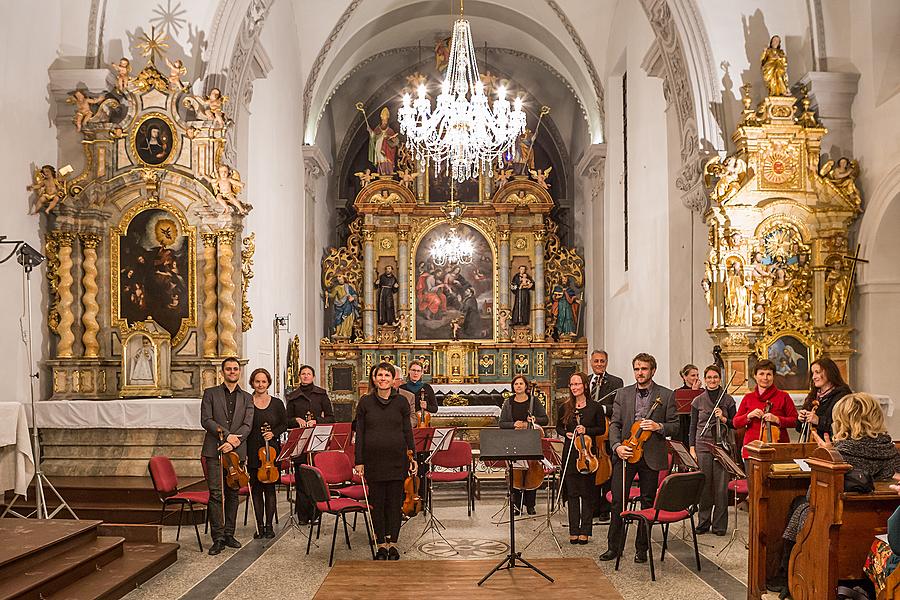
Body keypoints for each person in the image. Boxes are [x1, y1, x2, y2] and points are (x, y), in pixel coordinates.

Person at [769, 393, 900, 594]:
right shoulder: (890, 449)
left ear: (844, 420)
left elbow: (814, 496)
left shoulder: (840, 452)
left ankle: (787, 575)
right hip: (882, 521)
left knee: (801, 506)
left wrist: (827, 456)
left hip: (839, 528)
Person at [600, 353, 678, 563]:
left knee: (647, 502)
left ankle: (641, 548)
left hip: (651, 456)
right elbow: (615, 424)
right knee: (618, 502)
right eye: (636, 369)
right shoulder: (622, 394)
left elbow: (676, 425)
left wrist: (659, 426)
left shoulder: (667, 395)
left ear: (653, 371)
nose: (640, 373)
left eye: (644, 369)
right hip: (626, 453)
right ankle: (613, 547)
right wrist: (616, 447)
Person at [354, 363, 416, 560]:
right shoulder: (365, 403)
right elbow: (360, 434)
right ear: (374, 379)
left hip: (397, 460)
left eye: (387, 375)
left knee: (394, 503)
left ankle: (393, 543)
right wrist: (359, 461)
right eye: (379, 375)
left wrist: (412, 456)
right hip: (373, 461)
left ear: (393, 378)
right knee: (377, 503)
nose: (383, 378)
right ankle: (381, 543)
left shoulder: (401, 402)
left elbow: (408, 431)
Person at [200, 357, 254, 555]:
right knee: (216, 494)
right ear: (222, 373)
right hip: (214, 450)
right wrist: (226, 435)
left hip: (237, 451)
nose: (232, 372)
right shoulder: (210, 394)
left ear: (239, 372)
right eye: (228, 369)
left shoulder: (247, 398)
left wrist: (233, 441)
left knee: (232, 493)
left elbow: (248, 424)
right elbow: (206, 420)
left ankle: (230, 534)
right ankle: (218, 538)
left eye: (235, 369)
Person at [557, 372, 606, 544]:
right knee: (572, 493)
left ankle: (585, 530)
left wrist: (587, 431)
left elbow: (601, 429)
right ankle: (573, 530)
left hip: (588, 454)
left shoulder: (595, 407)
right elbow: (559, 428)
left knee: (586, 493)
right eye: (572, 384)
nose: (574, 387)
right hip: (571, 453)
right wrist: (567, 433)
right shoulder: (565, 406)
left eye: (577, 384)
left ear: (585, 385)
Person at [688, 365, 736, 536]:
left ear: (719, 379)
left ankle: (719, 526)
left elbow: (734, 424)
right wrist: (692, 448)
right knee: (705, 486)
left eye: (715, 377)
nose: (712, 380)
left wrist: (723, 418)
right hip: (702, 446)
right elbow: (692, 426)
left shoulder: (728, 400)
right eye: (709, 377)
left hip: (722, 446)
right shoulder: (697, 400)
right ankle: (703, 522)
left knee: (721, 489)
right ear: (705, 379)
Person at [285, 365, 335, 523]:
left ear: (313, 376)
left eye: (308, 374)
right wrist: (295, 420)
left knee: (314, 479)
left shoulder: (321, 394)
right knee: (301, 480)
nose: (306, 376)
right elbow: (286, 420)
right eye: (303, 374)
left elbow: (331, 417)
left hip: (316, 442)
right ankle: (302, 516)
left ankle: (315, 514)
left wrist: (317, 421)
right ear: (299, 377)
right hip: (300, 443)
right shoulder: (293, 396)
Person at [245, 368, 287, 539]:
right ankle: (259, 525)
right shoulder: (247, 401)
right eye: (257, 381)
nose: (260, 384)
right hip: (253, 450)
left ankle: (269, 526)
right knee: (256, 490)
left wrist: (273, 433)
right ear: (252, 383)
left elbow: (284, 424)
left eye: (263, 381)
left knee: (269, 489)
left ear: (268, 382)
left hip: (270, 453)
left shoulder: (277, 403)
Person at [499, 375, 549, 515]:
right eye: (516, 384)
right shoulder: (508, 402)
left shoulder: (534, 401)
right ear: (513, 387)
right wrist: (513, 424)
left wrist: (534, 419)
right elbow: (502, 423)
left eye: (521, 383)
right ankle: (516, 505)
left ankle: (530, 505)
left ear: (526, 386)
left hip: (530, 441)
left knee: (531, 471)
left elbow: (545, 419)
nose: (519, 386)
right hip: (514, 440)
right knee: (516, 471)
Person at [733, 359, 798, 465]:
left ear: (773, 376)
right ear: (755, 376)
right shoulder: (748, 398)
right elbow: (736, 423)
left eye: (769, 374)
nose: (765, 378)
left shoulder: (783, 396)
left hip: (778, 450)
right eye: (761, 374)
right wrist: (748, 416)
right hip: (752, 450)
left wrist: (777, 419)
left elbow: (795, 421)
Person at [587, 350, 624, 522]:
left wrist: (601, 409)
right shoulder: (586, 381)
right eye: (596, 361)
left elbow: (618, 407)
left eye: (602, 361)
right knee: (590, 468)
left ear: (607, 362)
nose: (599, 364)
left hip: (607, 431)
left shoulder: (616, 382)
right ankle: (592, 506)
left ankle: (605, 508)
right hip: (589, 433)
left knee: (607, 470)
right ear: (591, 362)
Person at [796, 357, 852, 441]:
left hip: (834, 444)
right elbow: (800, 430)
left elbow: (845, 426)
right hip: (813, 443)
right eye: (812, 373)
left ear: (829, 373)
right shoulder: (813, 395)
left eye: (817, 372)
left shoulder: (843, 395)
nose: (814, 377)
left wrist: (819, 421)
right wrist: (801, 420)